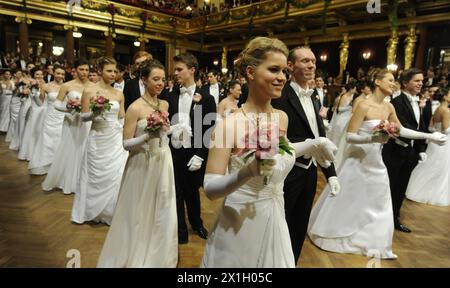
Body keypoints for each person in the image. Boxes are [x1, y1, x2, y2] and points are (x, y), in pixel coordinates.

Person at [201, 37, 336, 267]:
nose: (282, 77)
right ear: (251, 72)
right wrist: (248, 171)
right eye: (274, 69)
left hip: (275, 215)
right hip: (240, 222)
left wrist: (313, 144)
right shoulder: (229, 124)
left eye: (284, 70)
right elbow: (211, 189)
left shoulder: (280, 117)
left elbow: (278, 154)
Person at [308, 68, 446, 259]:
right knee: (351, 198)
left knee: (380, 202)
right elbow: (350, 136)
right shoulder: (363, 106)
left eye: (394, 81)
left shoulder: (389, 107)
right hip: (357, 161)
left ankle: (373, 241)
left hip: (376, 162)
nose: (393, 83)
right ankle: (337, 233)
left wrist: (429, 136)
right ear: (378, 82)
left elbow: (401, 130)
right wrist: (371, 139)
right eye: (390, 80)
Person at [97, 60, 179, 267]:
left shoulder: (165, 104)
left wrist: (175, 131)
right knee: (140, 209)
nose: (160, 83)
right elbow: (126, 144)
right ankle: (137, 253)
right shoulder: (135, 107)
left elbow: (165, 132)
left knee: (162, 206)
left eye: (163, 79)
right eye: (155, 79)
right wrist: (147, 136)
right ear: (144, 80)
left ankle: (159, 254)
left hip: (163, 160)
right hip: (142, 162)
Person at [271, 46, 341, 264]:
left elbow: (319, 134)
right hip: (286, 174)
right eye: (305, 61)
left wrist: (330, 173)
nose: (312, 65)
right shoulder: (279, 96)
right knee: (279, 228)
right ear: (290, 66)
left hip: (309, 174)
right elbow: (275, 141)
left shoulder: (314, 97)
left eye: (313, 61)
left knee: (299, 227)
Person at [382, 68, 446, 233]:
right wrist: (429, 137)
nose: (421, 84)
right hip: (394, 153)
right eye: (416, 81)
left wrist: (421, 149)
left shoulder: (418, 102)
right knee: (388, 188)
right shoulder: (397, 102)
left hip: (409, 154)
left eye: (421, 80)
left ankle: (394, 220)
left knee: (400, 190)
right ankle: (381, 221)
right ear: (405, 83)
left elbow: (421, 125)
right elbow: (403, 128)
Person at [163, 53, 216, 244]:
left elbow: (208, 130)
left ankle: (196, 223)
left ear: (192, 70)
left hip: (194, 152)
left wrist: (201, 156)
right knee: (176, 191)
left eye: (179, 69)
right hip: (174, 151)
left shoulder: (206, 98)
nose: (175, 73)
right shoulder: (169, 96)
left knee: (193, 191)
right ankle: (181, 229)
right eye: (175, 69)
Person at [71, 56, 128, 225]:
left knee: (115, 175)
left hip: (115, 139)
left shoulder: (119, 93)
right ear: (100, 71)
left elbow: (122, 117)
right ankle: (91, 211)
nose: (112, 74)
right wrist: (96, 112)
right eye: (109, 71)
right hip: (97, 137)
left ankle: (110, 212)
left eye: (115, 71)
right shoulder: (89, 91)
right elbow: (83, 117)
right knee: (95, 175)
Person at [42, 59, 93, 194]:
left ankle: (84, 181)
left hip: (88, 123)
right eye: (81, 69)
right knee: (71, 149)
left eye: (87, 70)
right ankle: (68, 181)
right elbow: (57, 104)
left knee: (85, 149)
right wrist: (71, 108)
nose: (84, 72)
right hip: (71, 121)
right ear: (74, 70)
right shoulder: (67, 85)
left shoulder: (94, 86)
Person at [406, 88, 450, 206]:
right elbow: (446, 130)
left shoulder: (437, 110)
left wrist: (436, 133)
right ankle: (432, 193)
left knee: (431, 165)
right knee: (439, 169)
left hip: (434, 142)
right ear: (445, 97)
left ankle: (419, 189)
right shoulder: (446, 111)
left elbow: (430, 128)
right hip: (443, 143)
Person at [28, 65, 66, 175]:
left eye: (62, 74)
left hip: (63, 116)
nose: (60, 76)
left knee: (61, 138)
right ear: (53, 73)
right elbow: (40, 103)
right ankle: (46, 164)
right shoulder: (46, 86)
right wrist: (34, 92)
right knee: (47, 139)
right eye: (58, 73)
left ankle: (58, 164)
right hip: (50, 116)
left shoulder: (67, 87)